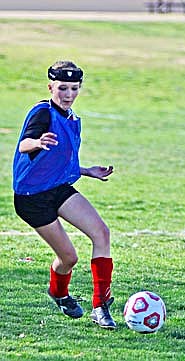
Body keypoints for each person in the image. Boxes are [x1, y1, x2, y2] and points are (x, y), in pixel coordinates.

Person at [13, 60, 117, 329]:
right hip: (32, 197)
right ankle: (58, 292)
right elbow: (25, 144)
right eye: (62, 88)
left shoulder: (72, 119)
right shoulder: (42, 113)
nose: (68, 94)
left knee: (101, 233)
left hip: (58, 187)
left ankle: (100, 306)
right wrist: (36, 142)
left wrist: (87, 171)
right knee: (69, 258)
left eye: (74, 88)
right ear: (50, 87)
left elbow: (58, 163)